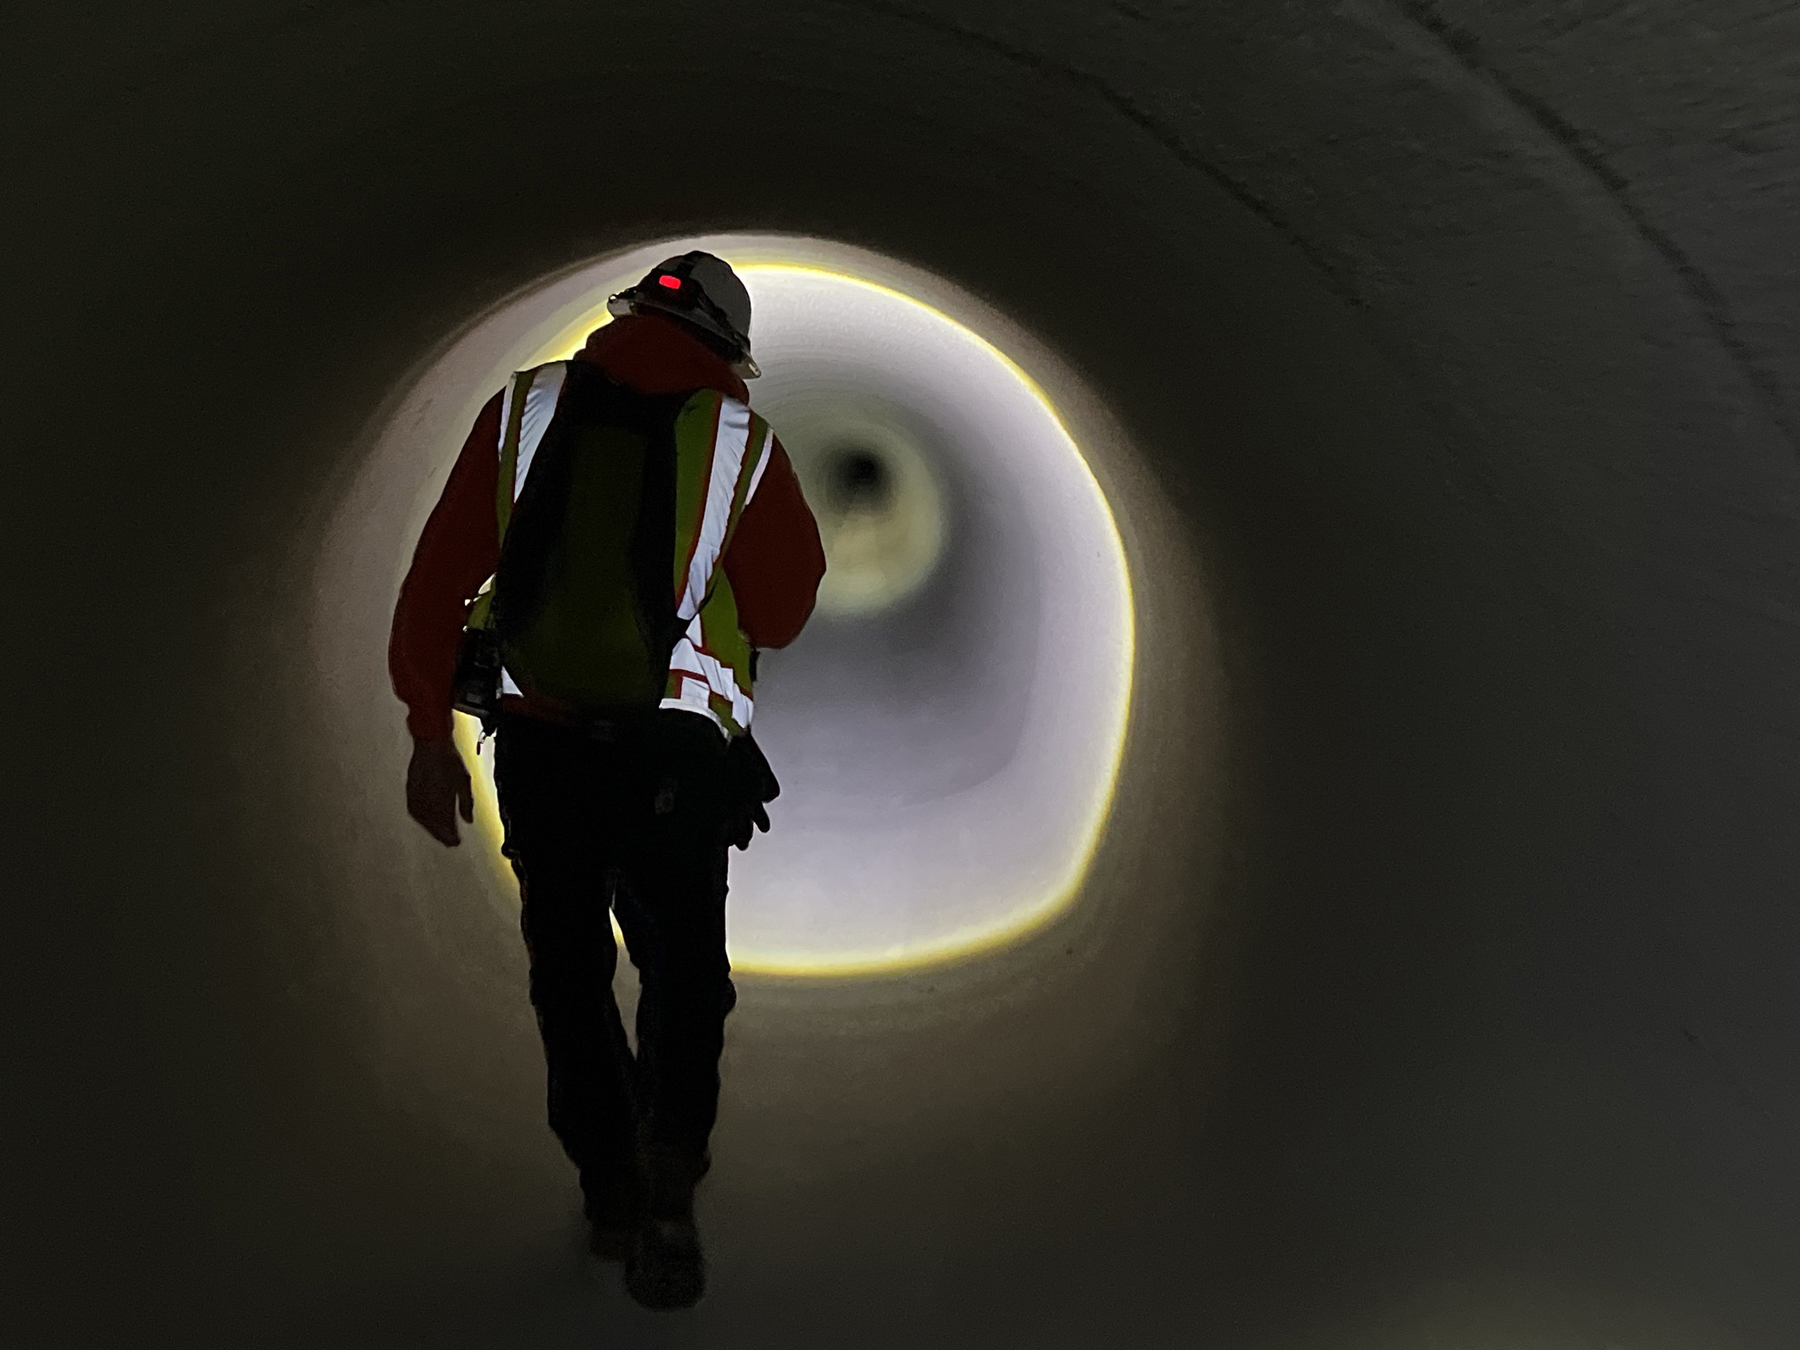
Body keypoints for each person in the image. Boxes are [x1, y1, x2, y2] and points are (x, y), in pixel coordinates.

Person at [387, 251, 826, 1309]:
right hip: (675, 755)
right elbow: (780, 612)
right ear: (733, 347)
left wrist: (429, 736)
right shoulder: (740, 444)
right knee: (682, 975)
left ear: (620, 318)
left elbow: (440, 576)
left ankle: (608, 1194)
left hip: (541, 748)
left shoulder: (524, 411)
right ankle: (670, 1177)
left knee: (569, 976)